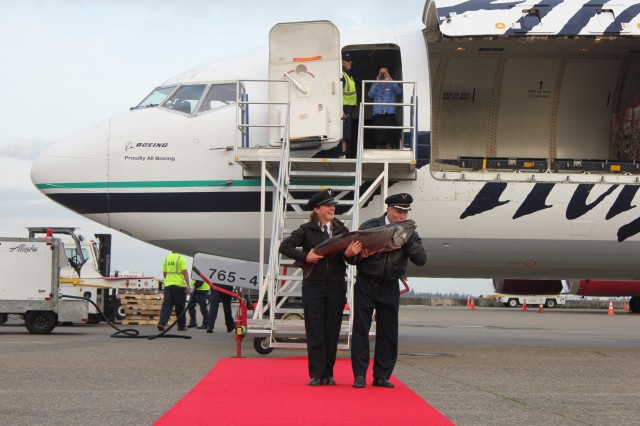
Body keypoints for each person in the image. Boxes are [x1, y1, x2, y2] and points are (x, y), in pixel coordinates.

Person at [279, 188, 362, 386]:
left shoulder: (342, 231)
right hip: (313, 286)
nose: (333, 208)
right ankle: (316, 374)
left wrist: (350, 255)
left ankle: (329, 373)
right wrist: (304, 256)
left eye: (333, 205)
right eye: (328, 205)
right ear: (317, 209)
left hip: (335, 286)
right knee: (315, 329)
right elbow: (285, 246)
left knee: (332, 330)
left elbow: (349, 260)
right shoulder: (306, 230)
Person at [349, 193, 426, 388]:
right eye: (399, 211)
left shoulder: (410, 231)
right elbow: (351, 258)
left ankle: (382, 376)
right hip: (366, 284)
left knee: (388, 333)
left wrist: (406, 240)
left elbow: (421, 259)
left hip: (390, 286)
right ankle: (359, 375)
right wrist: (357, 256)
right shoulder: (370, 227)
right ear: (389, 210)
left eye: (405, 212)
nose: (402, 216)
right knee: (360, 331)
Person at [341, 51, 372, 158]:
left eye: (351, 61)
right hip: (343, 108)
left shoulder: (349, 73)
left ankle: (346, 154)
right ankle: (343, 155)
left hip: (349, 108)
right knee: (344, 133)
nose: (350, 63)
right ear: (341, 62)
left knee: (347, 133)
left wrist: (368, 56)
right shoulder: (341, 75)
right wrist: (340, 109)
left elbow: (359, 68)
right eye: (347, 61)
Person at [368, 66, 402, 149]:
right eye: (381, 73)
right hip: (378, 115)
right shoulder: (375, 84)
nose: (383, 75)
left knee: (389, 141)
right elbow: (370, 95)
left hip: (389, 115)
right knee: (378, 141)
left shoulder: (392, 84)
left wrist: (391, 79)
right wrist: (376, 82)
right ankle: (376, 161)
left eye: (385, 73)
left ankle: (389, 160)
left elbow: (399, 91)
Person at [158, 251, 191, 331]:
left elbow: (164, 273)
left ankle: (162, 323)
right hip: (178, 286)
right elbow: (185, 272)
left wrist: (169, 280)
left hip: (168, 286)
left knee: (166, 305)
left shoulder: (167, 258)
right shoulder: (181, 258)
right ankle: (181, 326)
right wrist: (188, 285)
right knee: (180, 306)